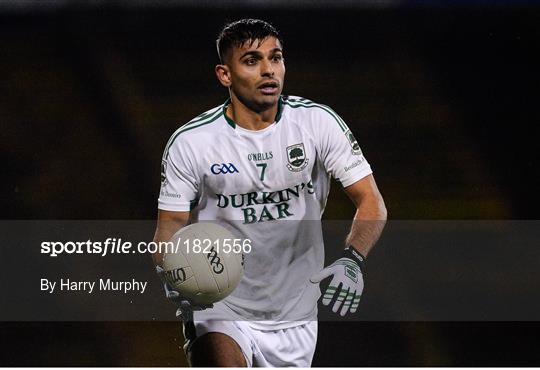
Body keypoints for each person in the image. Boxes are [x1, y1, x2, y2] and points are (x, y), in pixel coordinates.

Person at [152, 18, 387, 367]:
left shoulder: (317, 124)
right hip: (219, 302)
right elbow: (169, 226)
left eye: (275, 58)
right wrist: (171, 267)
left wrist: (353, 259)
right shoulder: (192, 143)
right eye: (252, 61)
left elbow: (371, 201)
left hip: (295, 313)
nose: (268, 70)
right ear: (224, 74)